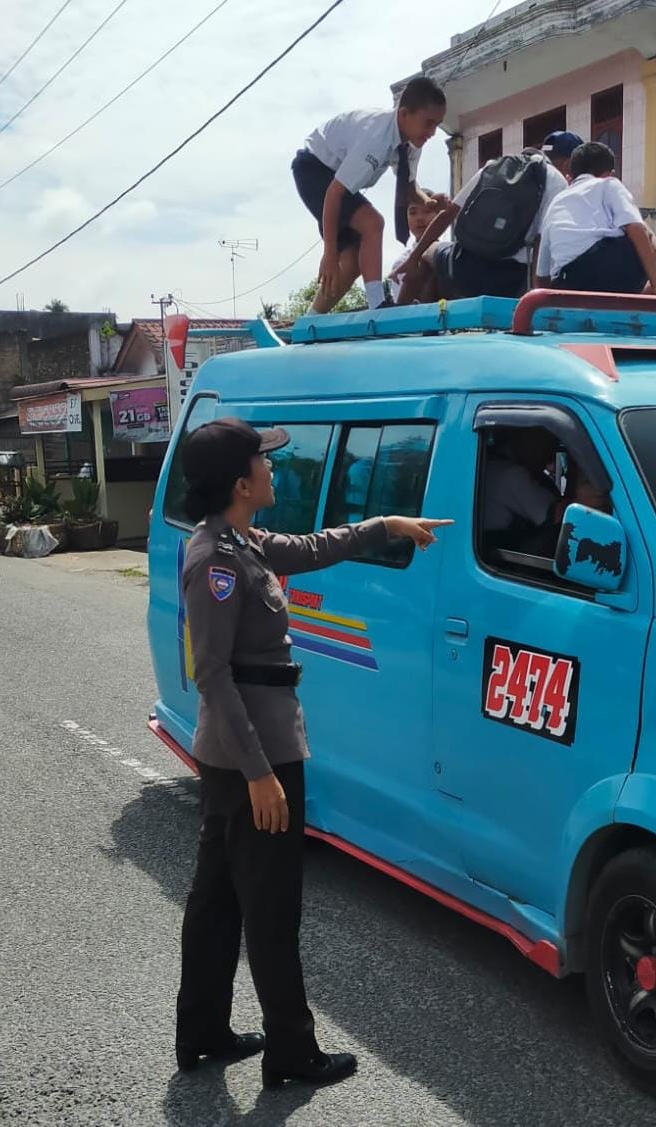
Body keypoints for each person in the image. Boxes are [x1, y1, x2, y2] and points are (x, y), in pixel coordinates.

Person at [175, 417, 451, 1087]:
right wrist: (261, 774)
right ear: (242, 483)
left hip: (243, 753)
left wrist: (384, 523)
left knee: (218, 897)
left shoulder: (242, 542)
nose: (274, 468)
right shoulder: (216, 560)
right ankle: (291, 1051)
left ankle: (204, 1030)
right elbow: (212, 675)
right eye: (264, 462)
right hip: (254, 755)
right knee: (269, 906)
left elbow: (315, 545)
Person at [293, 76, 447, 314]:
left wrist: (429, 201)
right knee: (372, 222)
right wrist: (329, 254)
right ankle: (378, 304)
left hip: (336, 180)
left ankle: (310, 320)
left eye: (437, 125)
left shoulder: (412, 144)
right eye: (428, 123)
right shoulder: (375, 137)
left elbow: (409, 188)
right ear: (404, 114)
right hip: (314, 168)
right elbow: (334, 194)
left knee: (353, 263)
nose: (432, 132)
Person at [393, 146, 568, 304]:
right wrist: (536, 297)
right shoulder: (556, 180)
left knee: (428, 253)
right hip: (512, 282)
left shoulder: (493, 167)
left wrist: (413, 258)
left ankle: (399, 318)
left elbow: (448, 214)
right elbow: (541, 243)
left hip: (464, 266)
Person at [536, 142, 656, 296]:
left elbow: (542, 274)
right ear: (609, 173)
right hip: (609, 270)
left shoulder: (556, 201)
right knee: (646, 232)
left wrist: (544, 304)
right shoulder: (609, 184)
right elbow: (637, 229)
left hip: (569, 281)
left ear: (571, 175)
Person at [482, 428, 608, 555]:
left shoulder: (493, 463)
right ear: (520, 437)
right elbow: (555, 515)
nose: (549, 444)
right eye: (545, 436)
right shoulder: (512, 475)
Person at [388, 191, 442, 304]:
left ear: (439, 215)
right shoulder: (401, 263)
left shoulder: (449, 255)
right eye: (413, 213)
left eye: (427, 211)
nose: (419, 218)